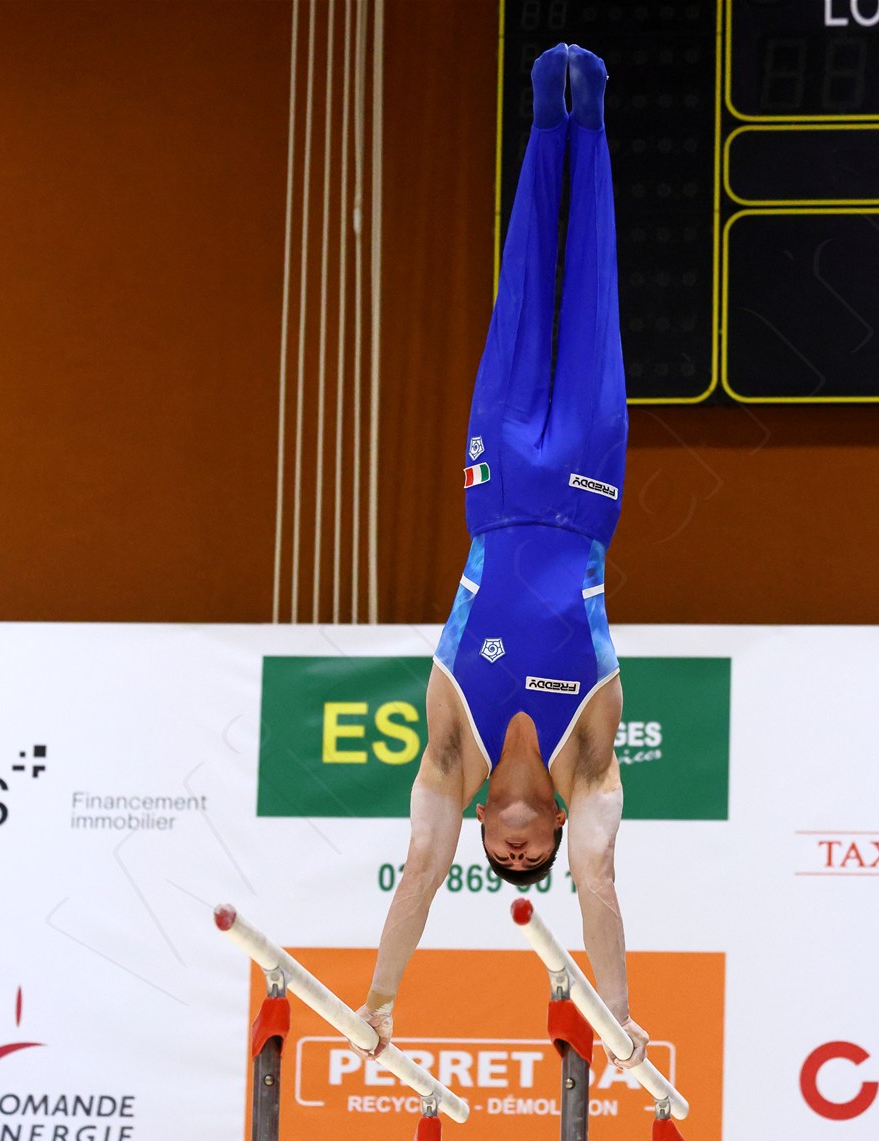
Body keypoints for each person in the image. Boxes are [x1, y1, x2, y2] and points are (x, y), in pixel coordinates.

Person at [354, 43, 647, 1071]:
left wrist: (381, 1000)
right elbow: (599, 886)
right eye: (534, 860)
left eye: (503, 859)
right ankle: (588, 118)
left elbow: (418, 872)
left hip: (499, 490)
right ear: (558, 829)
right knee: (591, 294)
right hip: (585, 493)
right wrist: (618, 1013)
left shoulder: (451, 758)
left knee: (522, 290)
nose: (518, 855)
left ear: (480, 829)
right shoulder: (590, 765)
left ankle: (542, 114)